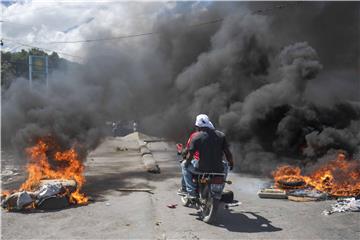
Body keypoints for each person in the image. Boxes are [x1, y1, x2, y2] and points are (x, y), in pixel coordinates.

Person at [181, 114, 234, 198]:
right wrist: (231, 163)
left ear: (198, 126)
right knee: (225, 166)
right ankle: (219, 190)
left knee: (184, 165)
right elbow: (227, 153)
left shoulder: (196, 136)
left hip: (200, 169)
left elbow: (190, 155)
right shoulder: (221, 135)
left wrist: (187, 162)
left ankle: (191, 192)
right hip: (218, 169)